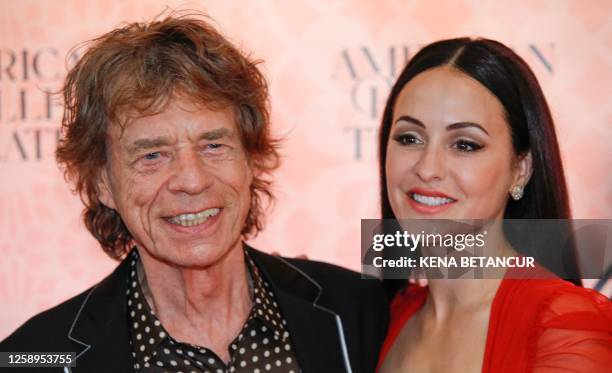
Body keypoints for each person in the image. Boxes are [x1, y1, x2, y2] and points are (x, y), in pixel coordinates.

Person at [0, 14, 388, 373]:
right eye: (152, 155)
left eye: (213, 146)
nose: (191, 180)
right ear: (103, 183)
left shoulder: (361, 310)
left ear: (252, 159)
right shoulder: (33, 357)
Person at [375, 38, 612, 372]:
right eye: (409, 138)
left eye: (465, 145)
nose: (427, 168)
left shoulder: (566, 326)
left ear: (521, 168)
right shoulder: (380, 319)